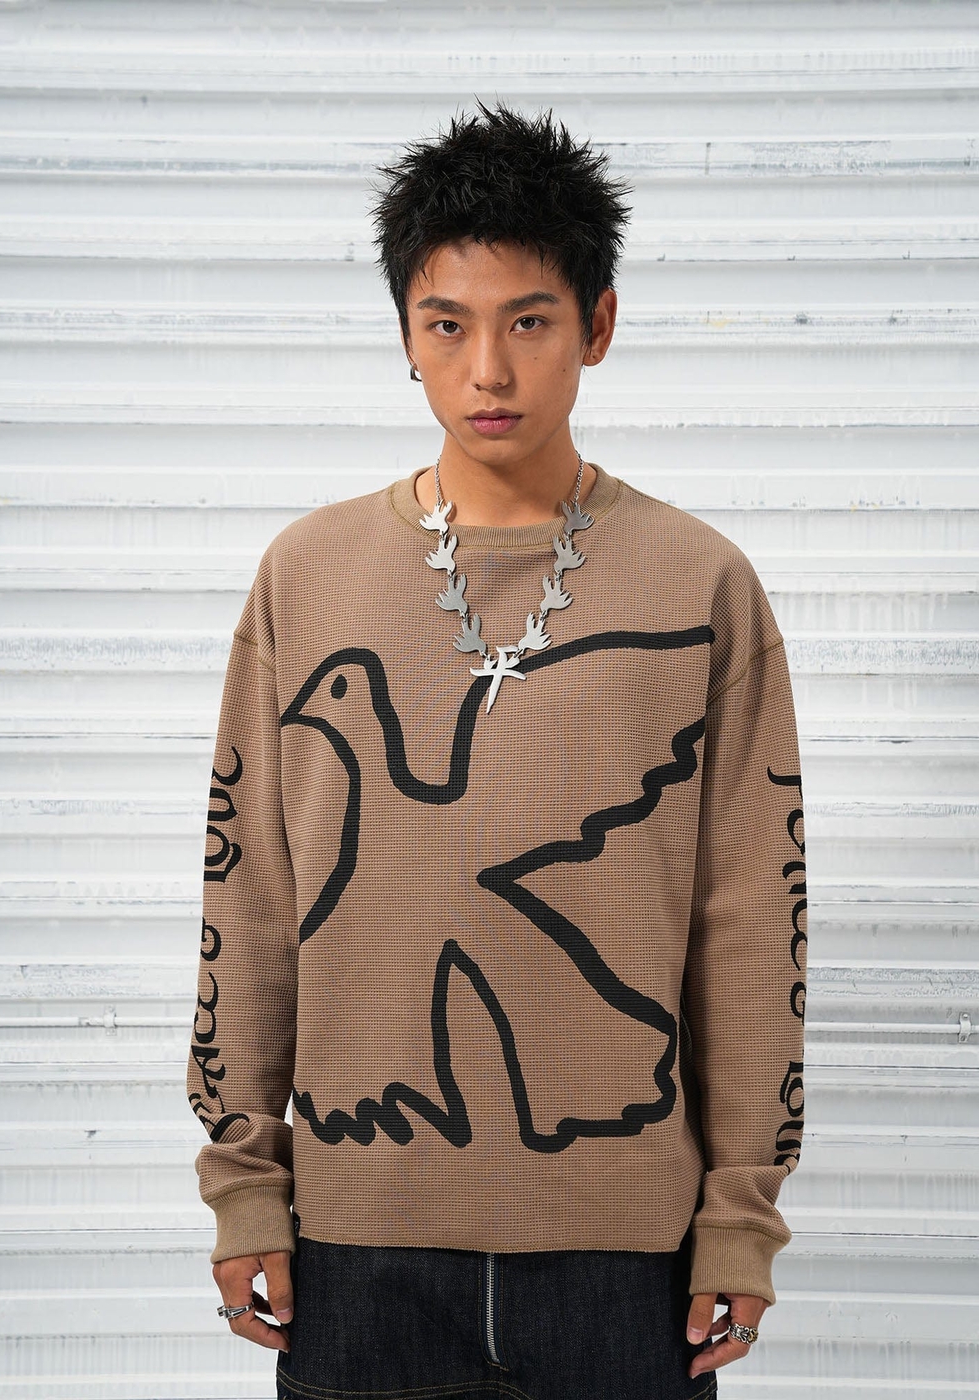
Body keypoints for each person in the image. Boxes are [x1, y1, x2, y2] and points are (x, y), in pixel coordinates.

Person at [187, 100, 807, 1400]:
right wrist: (246, 1186)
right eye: (446, 326)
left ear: (599, 325)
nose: (487, 372)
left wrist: (740, 1213)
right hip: (355, 1253)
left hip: (626, 1264)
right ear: (404, 336)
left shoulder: (699, 584)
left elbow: (750, 918)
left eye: (528, 322)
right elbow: (252, 898)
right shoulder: (306, 578)